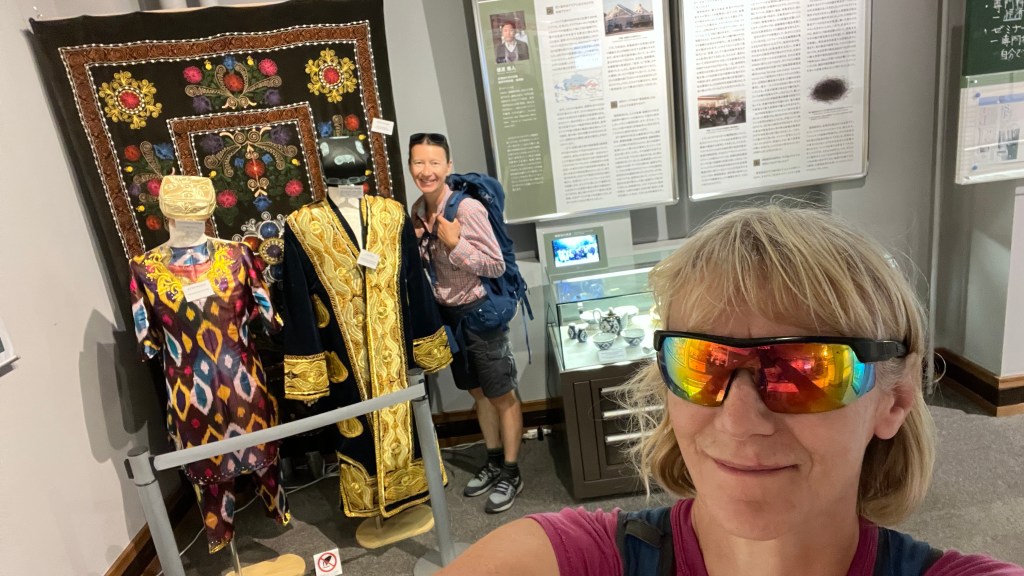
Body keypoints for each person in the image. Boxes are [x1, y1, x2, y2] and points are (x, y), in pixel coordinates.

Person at [437, 205, 1024, 574]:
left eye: (805, 370)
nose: (740, 420)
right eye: (704, 362)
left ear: (893, 401)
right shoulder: (566, 559)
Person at [409, 132, 524, 514]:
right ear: (410, 166)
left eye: (434, 162)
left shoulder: (468, 209)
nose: (426, 171)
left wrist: (455, 244)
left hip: (480, 314)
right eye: (419, 162)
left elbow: (496, 265)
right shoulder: (417, 211)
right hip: (450, 317)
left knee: (502, 395)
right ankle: (493, 460)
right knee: (478, 393)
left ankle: (512, 472)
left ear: (448, 166)